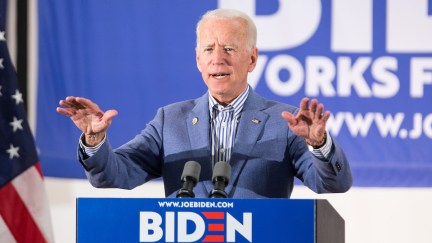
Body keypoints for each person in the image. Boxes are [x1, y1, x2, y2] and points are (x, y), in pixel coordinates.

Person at [56, 8, 352, 198]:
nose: (217, 58)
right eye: (209, 49)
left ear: (251, 58)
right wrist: (94, 140)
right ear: (198, 59)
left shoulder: (285, 121)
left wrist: (319, 145)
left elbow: (332, 184)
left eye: (229, 48)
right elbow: (113, 174)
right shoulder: (169, 120)